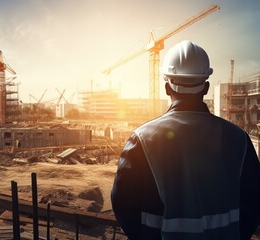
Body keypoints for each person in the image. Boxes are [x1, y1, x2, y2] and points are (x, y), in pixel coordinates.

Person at [111, 40, 260, 240]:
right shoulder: (239, 139)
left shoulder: (142, 139)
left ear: (166, 88)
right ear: (206, 87)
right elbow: (254, 202)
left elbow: (123, 204)